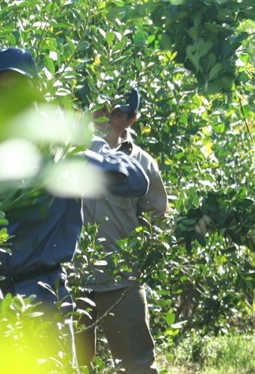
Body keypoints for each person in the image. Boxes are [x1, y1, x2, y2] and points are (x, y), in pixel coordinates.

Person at [0, 47, 149, 307]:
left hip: (45, 295)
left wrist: (78, 159)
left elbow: (137, 181)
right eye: (0, 93)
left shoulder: (65, 135)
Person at [75, 88, 168, 373]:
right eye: (100, 109)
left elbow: (158, 218)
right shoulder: (68, 155)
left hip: (121, 282)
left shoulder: (142, 164)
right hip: (70, 280)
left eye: (114, 113)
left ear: (131, 120)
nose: (103, 118)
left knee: (136, 365)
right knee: (70, 365)